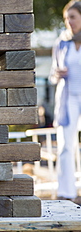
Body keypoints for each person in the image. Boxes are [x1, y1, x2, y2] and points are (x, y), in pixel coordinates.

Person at [49, 1, 81, 202]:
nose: (69, 22)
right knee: (65, 146)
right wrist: (56, 74)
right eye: (66, 18)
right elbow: (52, 74)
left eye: (73, 17)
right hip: (67, 98)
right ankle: (67, 193)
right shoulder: (61, 42)